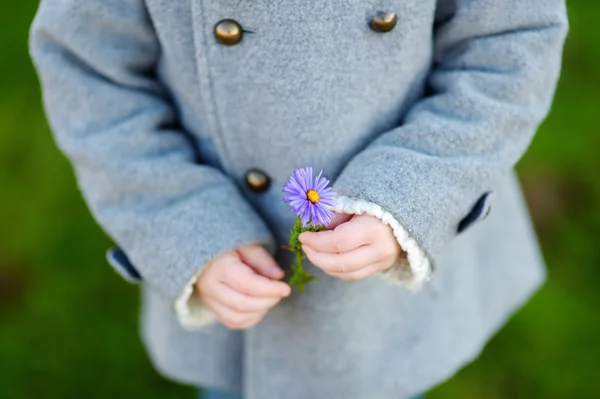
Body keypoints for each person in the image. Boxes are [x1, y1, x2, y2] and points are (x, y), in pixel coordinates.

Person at [29, 0, 568, 398]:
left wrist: (410, 192)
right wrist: (184, 221)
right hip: (231, 281)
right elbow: (89, 74)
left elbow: (509, 46)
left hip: (386, 297)